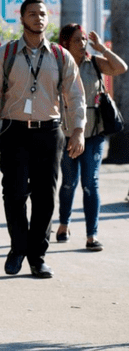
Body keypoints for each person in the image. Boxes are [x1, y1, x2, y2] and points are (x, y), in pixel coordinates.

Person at [0, 0, 86, 278]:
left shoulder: (61, 56)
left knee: (45, 197)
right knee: (13, 194)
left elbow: (75, 97)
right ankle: (17, 249)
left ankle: (37, 256)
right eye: (32, 14)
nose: (38, 18)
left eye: (42, 14)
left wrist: (78, 130)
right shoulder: (7, 53)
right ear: (22, 18)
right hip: (14, 131)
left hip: (50, 132)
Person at [55, 25, 127, 251]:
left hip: (93, 134)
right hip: (66, 135)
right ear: (66, 42)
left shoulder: (94, 63)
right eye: (77, 40)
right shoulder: (58, 65)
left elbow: (121, 67)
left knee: (90, 184)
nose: (82, 44)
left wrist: (101, 49)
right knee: (68, 184)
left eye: (84, 39)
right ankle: (64, 224)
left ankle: (91, 235)